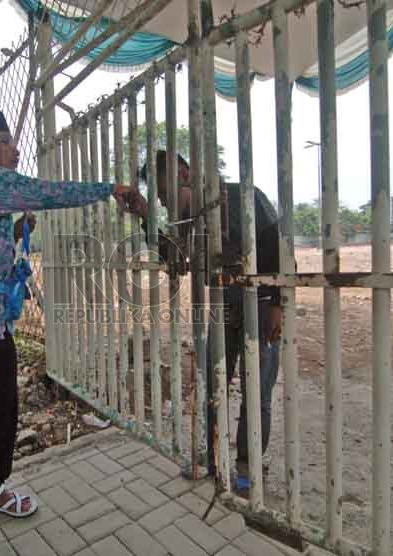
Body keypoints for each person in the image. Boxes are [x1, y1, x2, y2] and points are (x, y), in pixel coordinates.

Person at [0, 110, 138, 556]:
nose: (15, 149)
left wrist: (16, 231)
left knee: (1, 409)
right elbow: (48, 192)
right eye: (5, 141)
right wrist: (111, 188)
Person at [136, 150, 286, 488]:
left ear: (185, 174)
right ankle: (210, 453)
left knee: (256, 392)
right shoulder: (186, 223)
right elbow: (172, 258)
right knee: (211, 385)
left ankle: (248, 469)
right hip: (222, 309)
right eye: (159, 197)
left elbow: (276, 247)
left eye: (165, 193)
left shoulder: (242, 197)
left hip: (259, 307)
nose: (164, 202)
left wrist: (278, 304)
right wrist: (145, 217)